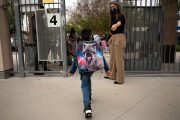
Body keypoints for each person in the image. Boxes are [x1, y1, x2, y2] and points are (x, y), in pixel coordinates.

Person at [67, 28, 111, 118]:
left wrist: (72, 71)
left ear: (81, 36)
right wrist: (107, 69)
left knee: (84, 85)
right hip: (93, 68)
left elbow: (76, 59)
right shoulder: (96, 44)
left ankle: (87, 107)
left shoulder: (79, 45)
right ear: (91, 35)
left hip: (83, 68)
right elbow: (101, 57)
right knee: (88, 80)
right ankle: (89, 97)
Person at [107, 1, 126, 84]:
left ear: (118, 7)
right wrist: (111, 37)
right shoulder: (113, 17)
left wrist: (116, 25)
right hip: (113, 38)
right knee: (113, 58)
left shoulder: (121, 16)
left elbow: (119, 22)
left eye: (114, 6)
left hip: (119, 38)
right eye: (111, 7)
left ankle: (120, 79)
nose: (113, 8)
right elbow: (112, 29)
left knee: (119, 59)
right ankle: (113, 75)